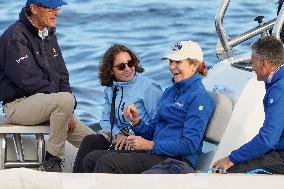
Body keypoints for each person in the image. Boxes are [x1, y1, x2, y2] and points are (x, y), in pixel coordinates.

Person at [77, 40, 215, 173]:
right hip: (157, 152)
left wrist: (150, 145)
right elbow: (152, 131)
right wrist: (136, 122)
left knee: (107, 162)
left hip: (176, 160)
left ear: (194, 65)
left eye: (178, 62)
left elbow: (190, 145)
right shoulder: (170, 92)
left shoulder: (199, 97)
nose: (172, 66)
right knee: (91, 159)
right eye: (171, 61)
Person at [0, 0, 94, 172]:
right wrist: (64, 103)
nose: (56, 12)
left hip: (49, 103)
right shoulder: (14, 36)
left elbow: (62, 76)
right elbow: (30, 81)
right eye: (50, 8)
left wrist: (69, 110)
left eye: (56, 8)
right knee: (65, 100)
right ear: (34, 9)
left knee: (95, 142)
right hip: (18, 106)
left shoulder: (48, 34)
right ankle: (52, 161)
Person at [73, 44, 162, 173]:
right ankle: (76, 181)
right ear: (111, 70)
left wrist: (130, 137)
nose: (128, 69)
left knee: (94, 158)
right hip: (120, 139)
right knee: (90, 140)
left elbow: (159, 123)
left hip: (139, 141)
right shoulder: (111, 90)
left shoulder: (148, 87)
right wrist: (117, 134)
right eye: (121, 66)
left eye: (130, 63)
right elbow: (105, 120)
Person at [213, 36, 284, 174]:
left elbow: (267, 140)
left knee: (228, 171)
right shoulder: (277, 81)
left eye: (253, 62)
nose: (252, 67)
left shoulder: (279, 89)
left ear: (264, 63)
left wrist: (231, 158)